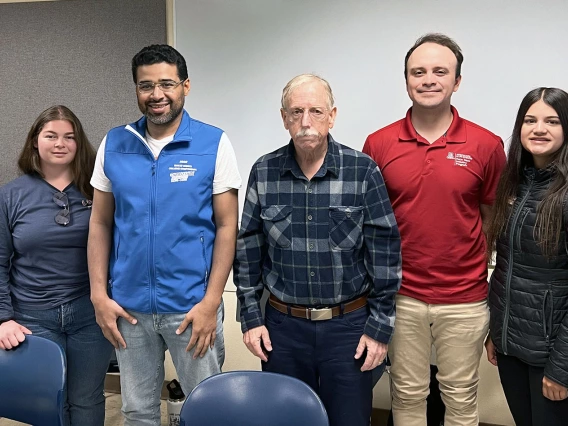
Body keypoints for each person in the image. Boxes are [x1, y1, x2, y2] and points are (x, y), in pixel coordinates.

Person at [234, 73, 401, 426]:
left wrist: (380, 328)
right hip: (283, 329)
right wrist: (250, 318)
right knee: (287, 419)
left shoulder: (362, 170)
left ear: (333, 116)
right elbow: (248, 248)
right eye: (296, 112)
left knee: (350, 420)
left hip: (350, 328)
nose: (305, 122)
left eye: (315, 111)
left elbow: (385, 253)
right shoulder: (264, 172)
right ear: (284, 118)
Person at [87, 44, 241, 425]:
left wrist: (211, 302)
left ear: (185, 86)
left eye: (167, 84)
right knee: (137, 410)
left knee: (207, 410)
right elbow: (100, 223)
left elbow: (227, 227)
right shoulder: (114, 143)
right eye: (146, 85)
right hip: (128, 309)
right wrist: (99, 296)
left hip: (191, 308)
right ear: (136, 90)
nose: (156, 94)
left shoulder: (213, 143)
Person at [362, 33, 506, 426]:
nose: (428, 79)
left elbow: (492, 217)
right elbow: (369, 223)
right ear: (406, 80)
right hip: (401, 295)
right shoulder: (378, 144)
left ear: (456, 81)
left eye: (440, 71)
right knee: (406, 396)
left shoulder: (486, 145)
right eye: (418, 71)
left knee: (460, 399)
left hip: (465, 297)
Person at [0, 105, 113, 426]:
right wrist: (3, 318)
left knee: (87, 398)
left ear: (79, 144)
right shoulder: (10, 196)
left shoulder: (99, 192)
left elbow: (117, 249)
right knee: (49, 397)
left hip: (90, 315)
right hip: (33, 316)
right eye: (51, 135)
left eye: (69, 137)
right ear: (35, 141)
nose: (60, 143)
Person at [485, 87, 568, 426]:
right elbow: (505, 267)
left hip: (551, 355)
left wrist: (562, 367)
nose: (539, 129)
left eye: (552, 121)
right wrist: (496, 332)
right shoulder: (513, 184)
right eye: (530, 120)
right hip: (510, 346)